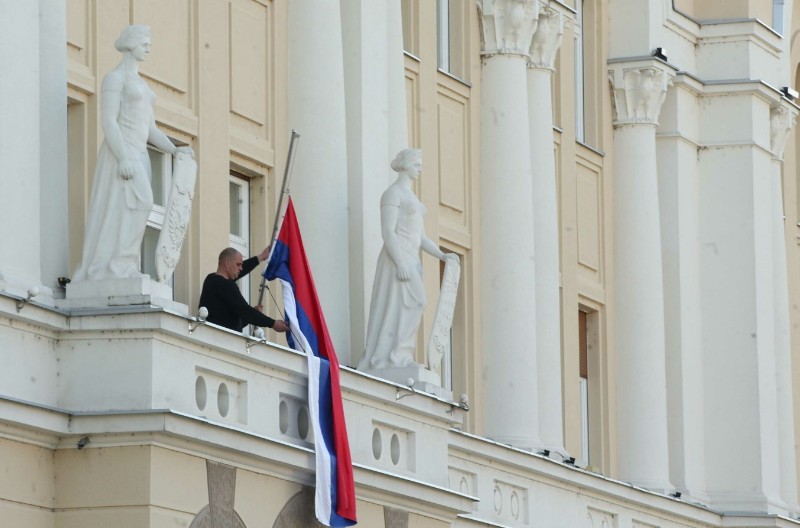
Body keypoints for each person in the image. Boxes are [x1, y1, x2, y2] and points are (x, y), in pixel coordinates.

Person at [73, 25, 194, 282]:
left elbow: (150, 129)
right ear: (130, 44)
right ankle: (114, 267)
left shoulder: (141, 83)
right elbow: (108, 121)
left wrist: (174, 150)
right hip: (123, 151)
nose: (149, 48)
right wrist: (123, 158)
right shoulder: (115, 78)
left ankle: (124, 266)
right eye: (145, 43)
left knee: (134, 208)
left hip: (140, 154)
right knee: (139, 203)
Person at [358, 149, 457, 371]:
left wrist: (441, 255)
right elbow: (388, 232)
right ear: (405, 165)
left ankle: (399, 355)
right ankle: (392, 356)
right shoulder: (392, 194)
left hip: (411, 260)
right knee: (414, 303)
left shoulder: (411, 197)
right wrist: (400, 262)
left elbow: (421, 238)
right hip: (397, 260)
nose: (420, 168)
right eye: (417, 164)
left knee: (411, 305)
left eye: (421, 164)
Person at [199, 247, 289, 334]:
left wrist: (261, 257)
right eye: (238, 265)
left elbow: (236, 320)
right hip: (222, 340)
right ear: (227, 264)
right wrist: (273, 323)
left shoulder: (211, 279)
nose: (241, 268)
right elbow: (245, 311)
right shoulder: (225, 285)